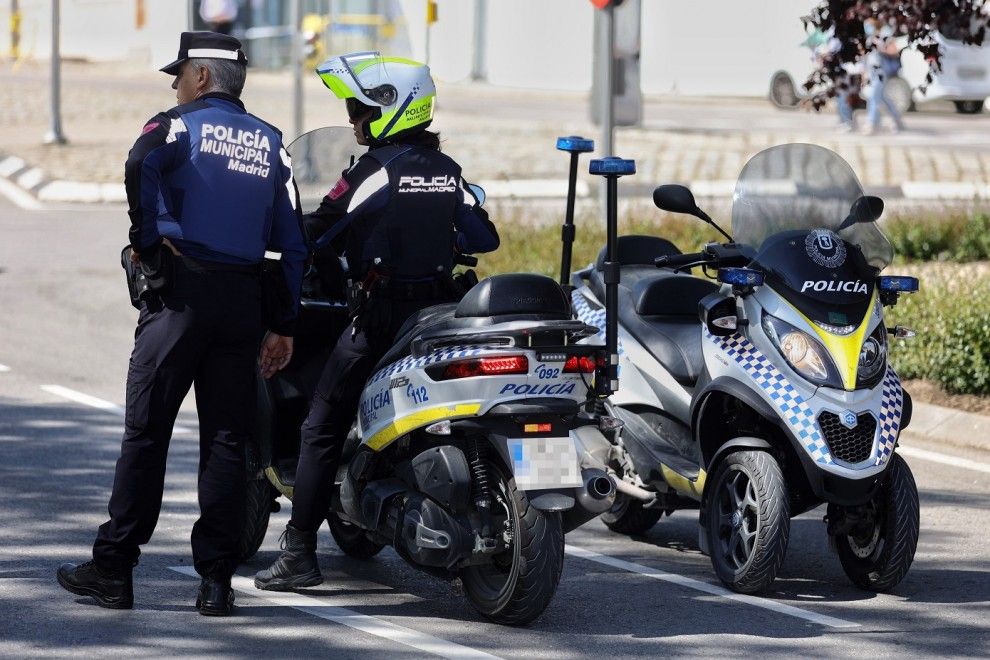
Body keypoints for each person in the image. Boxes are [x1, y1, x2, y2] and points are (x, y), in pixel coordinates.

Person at [56, 31, 307, 616]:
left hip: (181, 299)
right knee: (225, 441)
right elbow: (294, 242)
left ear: (200, 78)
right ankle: (216, 583)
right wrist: (284, 323)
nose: (174, 85)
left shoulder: (176, 126)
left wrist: (145, 241)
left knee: (146, 434)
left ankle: (114, 568)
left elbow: (140, 161)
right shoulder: (272, 143)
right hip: (242, 303)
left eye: (179, 75)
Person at [254, 52, 499, 591]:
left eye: (358, 105)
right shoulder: (448, 171)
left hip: (382, 318)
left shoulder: (375, 171)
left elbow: (317, 231)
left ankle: (299, 553)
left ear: (390, 108)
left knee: (320, 422)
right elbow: (483, 239)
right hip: (440, 315)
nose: (350, 117)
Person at [864, 18, 906, 134]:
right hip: (872, 70)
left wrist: (880, 47)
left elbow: (894, 50)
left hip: (881, 70)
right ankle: (897, 119)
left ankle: (871, 123)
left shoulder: (885, 32)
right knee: (881, 97)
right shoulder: (869, 35)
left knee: (874, 95)